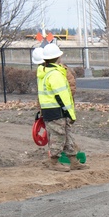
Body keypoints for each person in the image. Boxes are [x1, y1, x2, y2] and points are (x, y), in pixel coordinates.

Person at [37, 41, 86, 171]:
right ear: (58, 57)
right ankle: (53, 162)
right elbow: (62, 96)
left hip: (52, 110)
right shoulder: (55, 74)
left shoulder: (45, 72)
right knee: (59, 136)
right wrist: (69, 112)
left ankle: (73, 160)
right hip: (57, 111)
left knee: (67, 135)